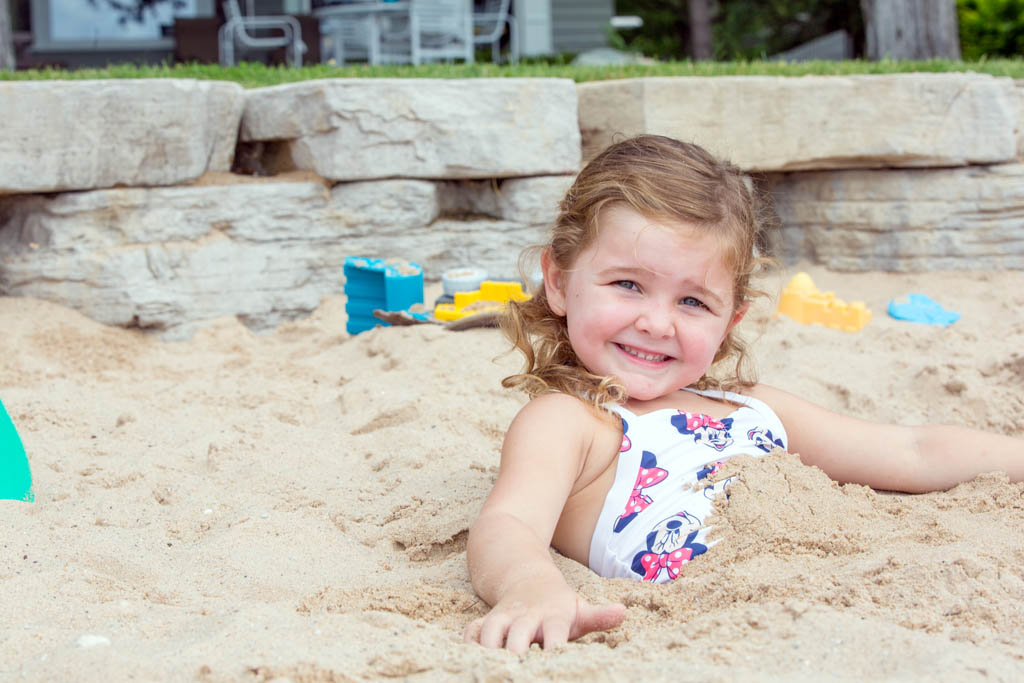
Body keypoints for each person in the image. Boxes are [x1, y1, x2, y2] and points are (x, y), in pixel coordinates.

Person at [462, 135, 1024, 654]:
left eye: (693, 302)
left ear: (731, 319)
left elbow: (912, 450)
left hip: (863, 605)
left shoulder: (753, 408)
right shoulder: (572, 420)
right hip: (730, 634)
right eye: (628, 285)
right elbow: (508, 524)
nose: (658, 323)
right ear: (559, 282)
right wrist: (530, 587)